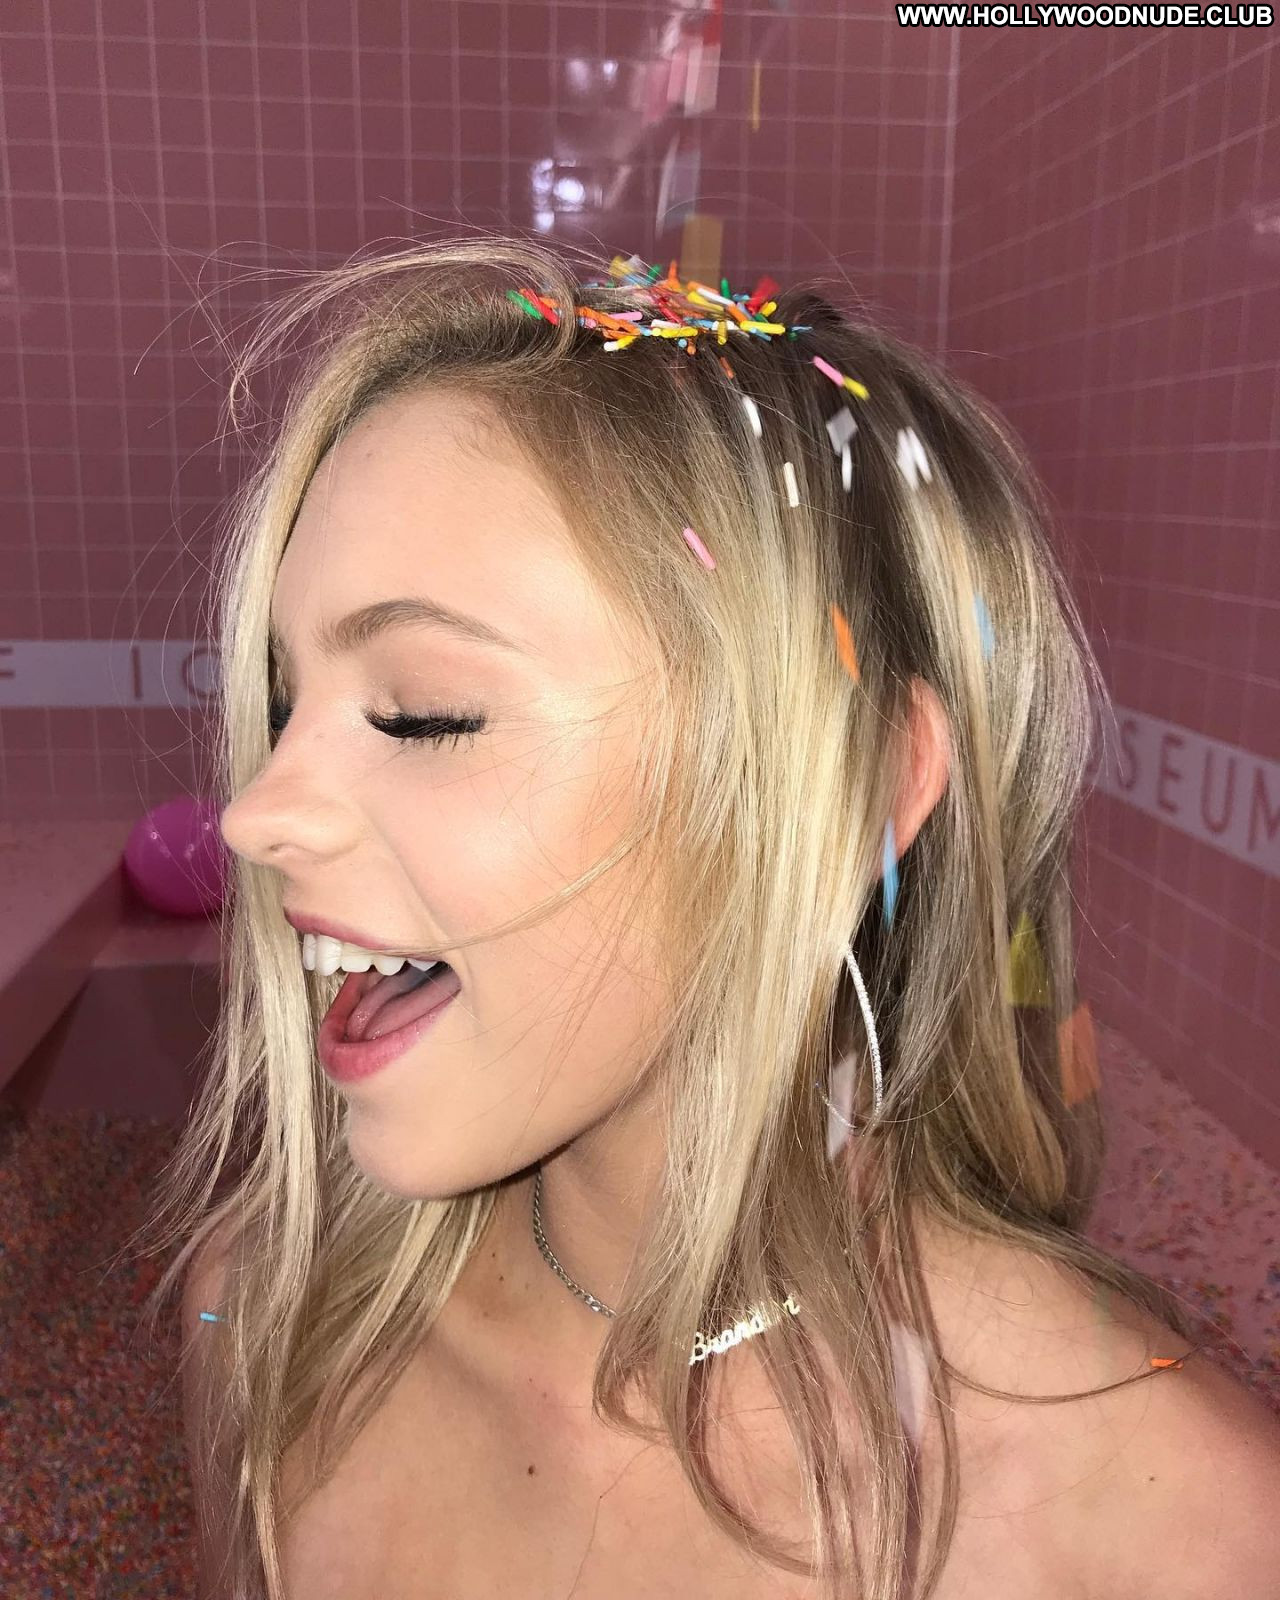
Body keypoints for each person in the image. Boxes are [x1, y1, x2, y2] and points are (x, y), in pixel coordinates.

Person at [136, 236, 1280, 1600]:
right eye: (283, 703)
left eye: (424, 712)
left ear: (848, 794)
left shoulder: (1182, 1534)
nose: (257, 814)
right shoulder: (267, 1320)